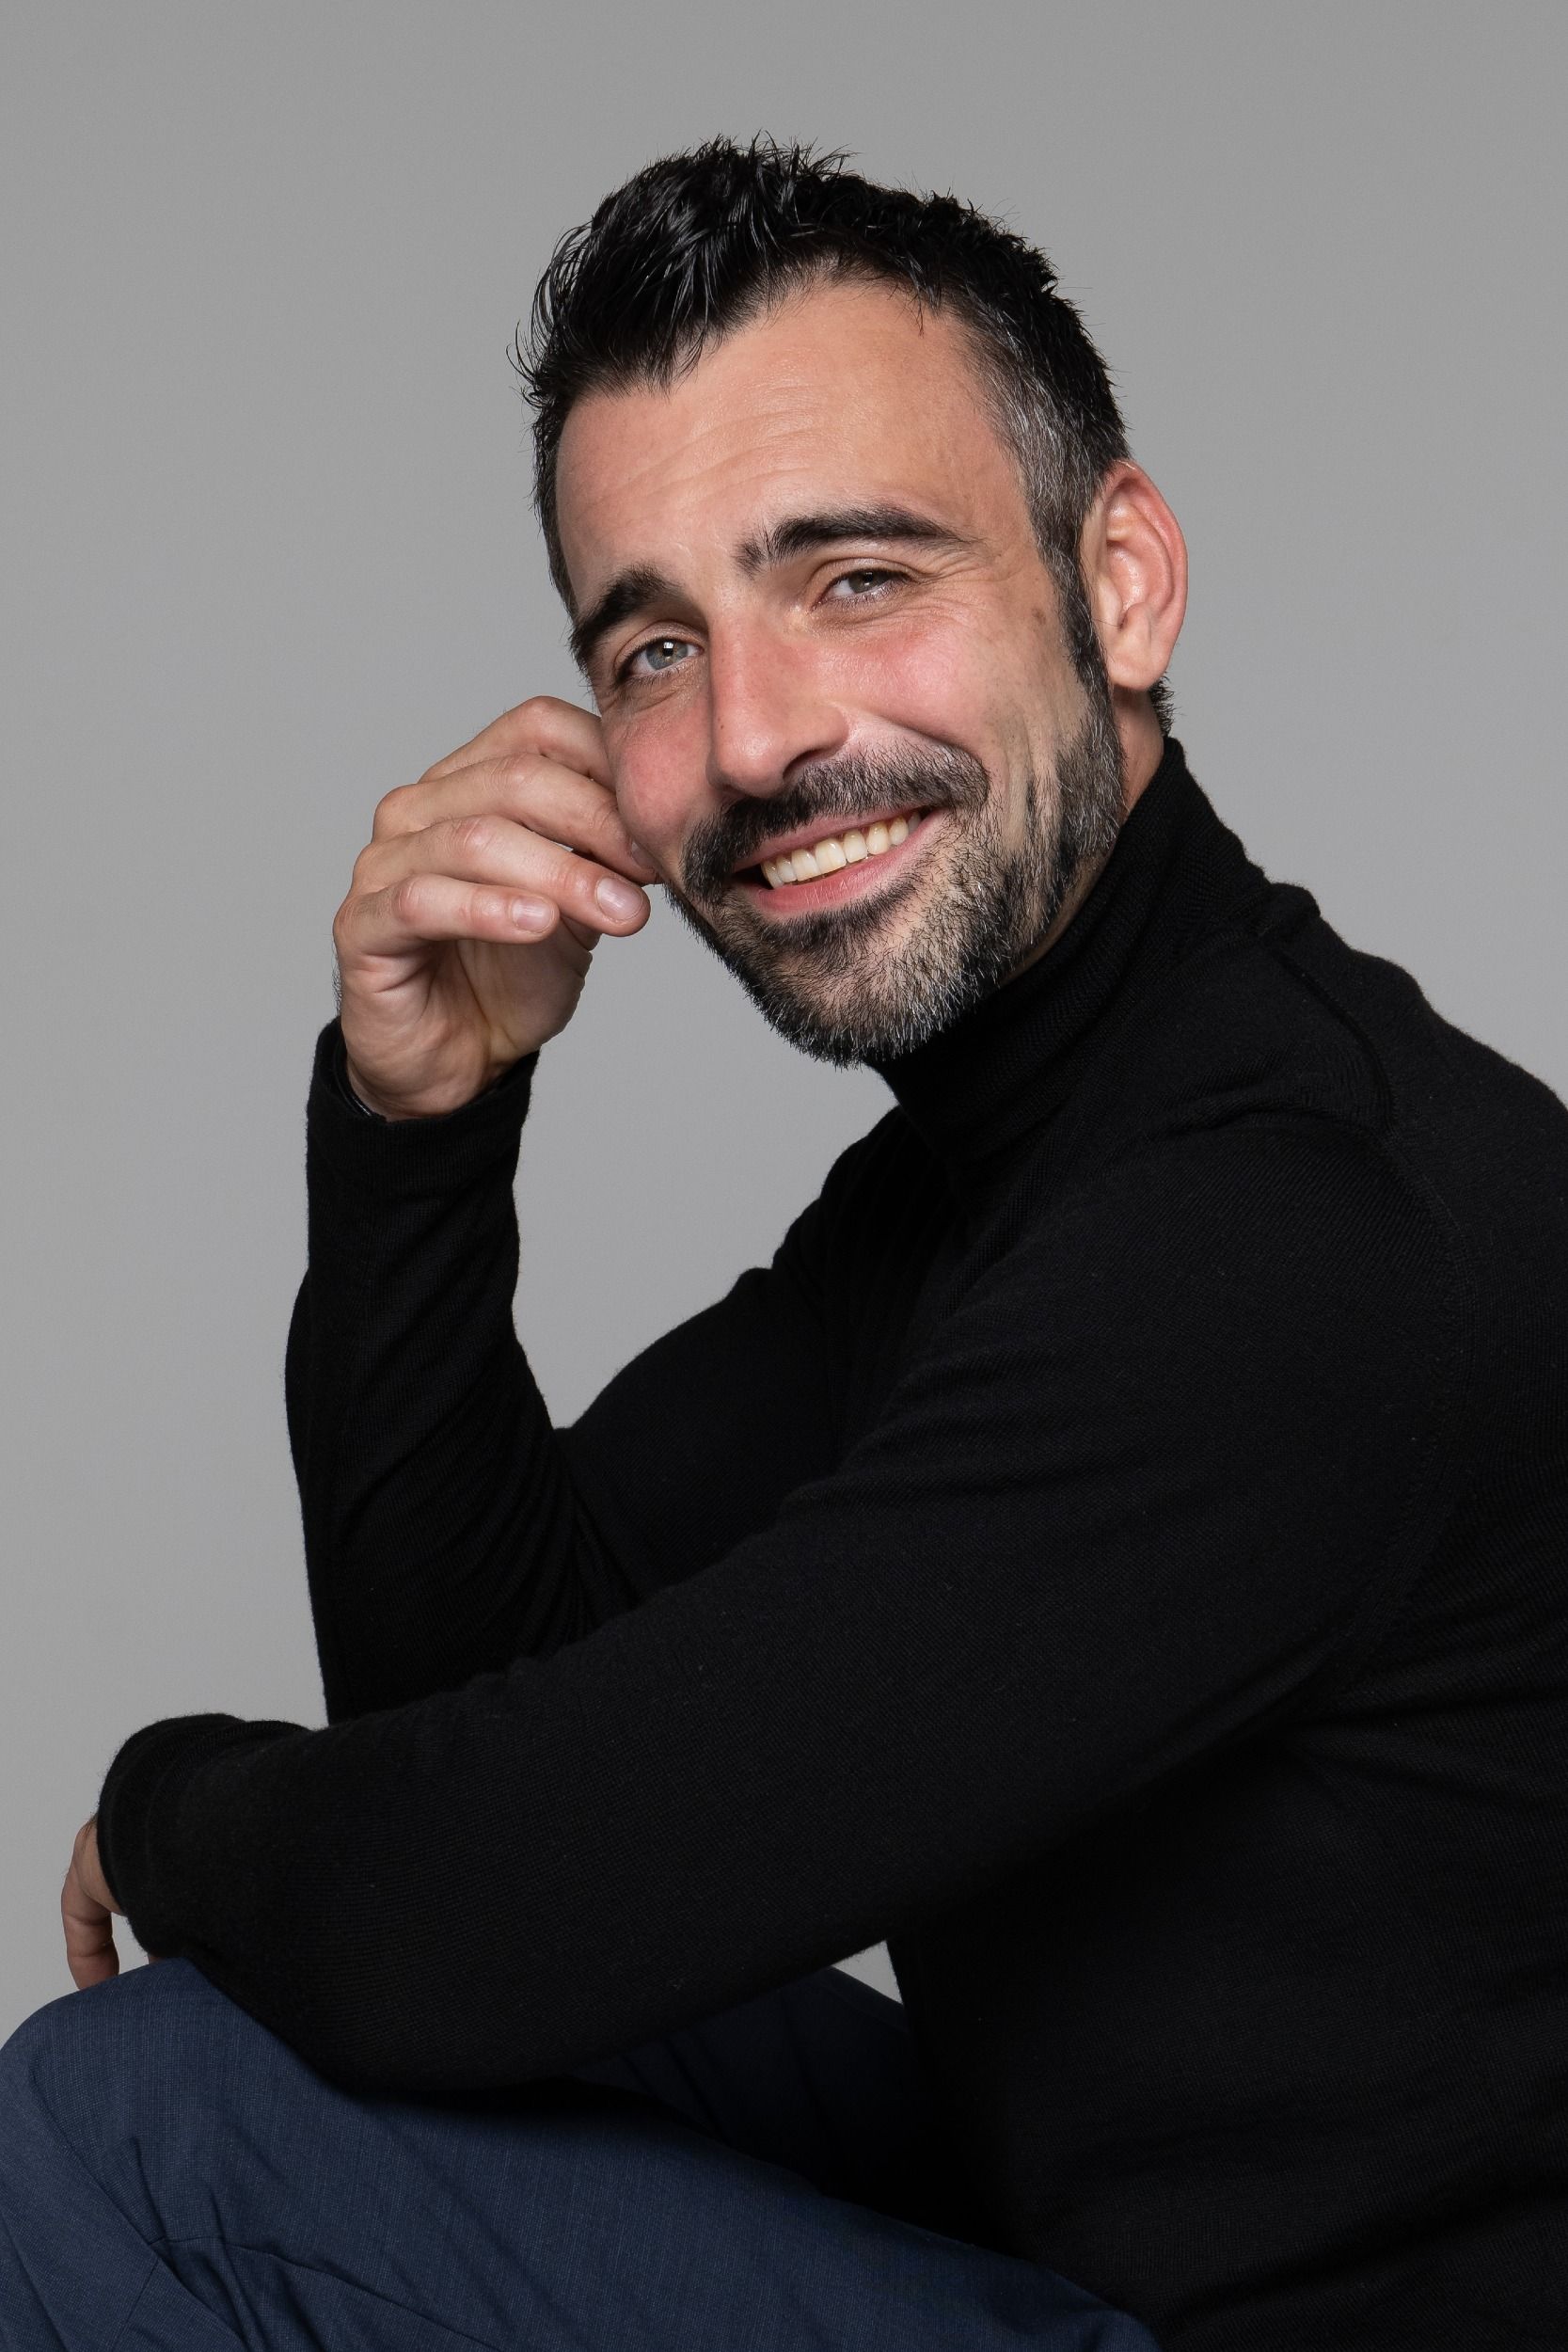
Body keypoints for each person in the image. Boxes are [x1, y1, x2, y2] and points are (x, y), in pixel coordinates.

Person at [5, 134, 1566, 2352]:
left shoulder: (1288, 1231)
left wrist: (166, 1800)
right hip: (1093, 2241)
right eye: (657, 646)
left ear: (1122, 584)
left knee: (144, 2121)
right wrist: (420, 1130)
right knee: (300, 2014)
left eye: (852, 576)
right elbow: (471, 1720)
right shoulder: (1013, 1158)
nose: (752, 739)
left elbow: (462, 1906)